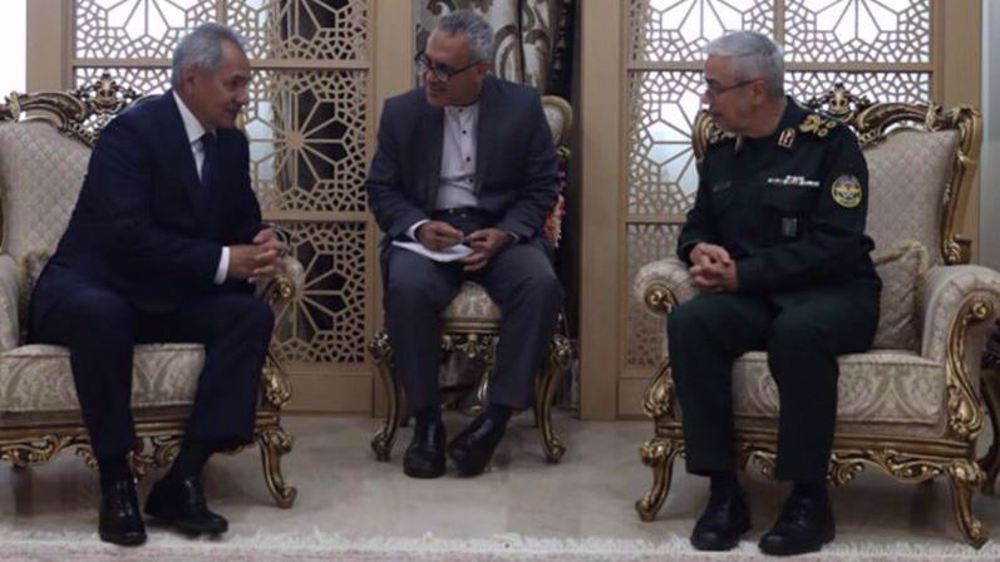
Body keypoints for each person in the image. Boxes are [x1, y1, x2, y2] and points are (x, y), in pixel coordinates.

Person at [29, 23, 285, 546]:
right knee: (107, 314)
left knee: (249, 315)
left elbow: (242, 220)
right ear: (192, 78)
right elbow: (126, 237)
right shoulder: (133, 133)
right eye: (234, 84)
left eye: (245, 85)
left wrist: (263, 243)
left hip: (162, 294)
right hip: (89, 286)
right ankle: (117, 479)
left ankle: (182, 478)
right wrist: (222, 261)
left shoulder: (231, 146)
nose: (243, 98)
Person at [667, 31, 881, 556]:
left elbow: (835, 244)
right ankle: (723, 494)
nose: (706, 100)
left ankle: (809, 500)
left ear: (755, 90)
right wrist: (700, 252)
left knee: (798, 332)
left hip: (833, 293)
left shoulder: (829, 143)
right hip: (756, 296)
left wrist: (744, 274)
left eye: (714, 87)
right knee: (692, 322)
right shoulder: (721, 151)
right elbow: (694, 227)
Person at [366, 10, 562, 480]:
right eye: (427, 63)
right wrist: (416, 227)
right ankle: (428, 424)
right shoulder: (402, 111)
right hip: (430, 233)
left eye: (444, 70)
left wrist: (507, 233)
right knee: (409, 286)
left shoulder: (521, 106)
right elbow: (382, 190)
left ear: (481, 70)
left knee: (540, 283)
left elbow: (542, 187)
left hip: (500, 230)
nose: (430, 77)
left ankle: (493, 422)